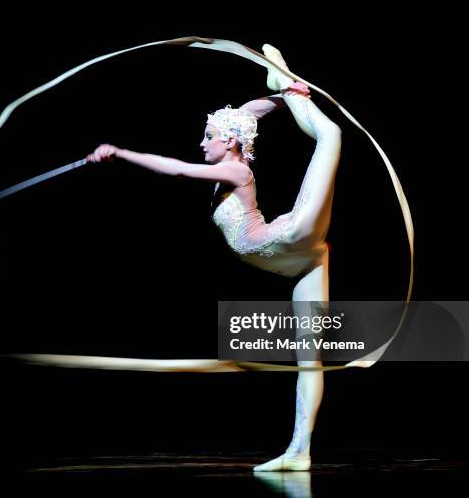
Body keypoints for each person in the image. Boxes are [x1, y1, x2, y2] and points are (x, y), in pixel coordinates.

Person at [87, 44, 342, 471]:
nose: (200, 142)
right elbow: (249, 112)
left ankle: (288, 83)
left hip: (291, 237)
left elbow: (176, 169)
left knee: (331, 136)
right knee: (307, 360)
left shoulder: (236, 171)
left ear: (228, 142)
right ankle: (300, 452)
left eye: (208, 137)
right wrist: (278, 95)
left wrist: (119, 152)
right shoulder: (233, 146)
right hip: (300, 261)